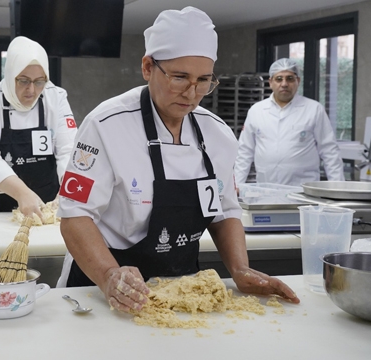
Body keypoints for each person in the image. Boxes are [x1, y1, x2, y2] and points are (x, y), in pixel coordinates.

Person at [55, 7, 300, 314]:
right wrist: (108, 275)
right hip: (100, 286)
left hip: (179, 290)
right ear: (147, 67)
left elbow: (224, 211)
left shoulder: (218, 134)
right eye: (179, 77)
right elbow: (74, 215)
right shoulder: (106, 125)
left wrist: (239, 268)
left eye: (203, 80)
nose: (192, 93)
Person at [0, 36, 78, 217]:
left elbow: (69, 151)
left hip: (43, 207)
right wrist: (22, 192)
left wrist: (69, 191)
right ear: (10, 74)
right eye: (23, 80)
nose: (31, 90)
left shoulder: (56, 98)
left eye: (39, 81)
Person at [234, 58, 345, 186]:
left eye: (290, 78)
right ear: (270, 82)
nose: (284, 84)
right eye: (279, 79)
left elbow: (329, 151)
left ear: (298, 81)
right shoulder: (256, 111)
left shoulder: (314, 109)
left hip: (303, 190)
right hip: (265, 189)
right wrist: (235, 185)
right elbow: (244, 151)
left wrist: (338, 188)